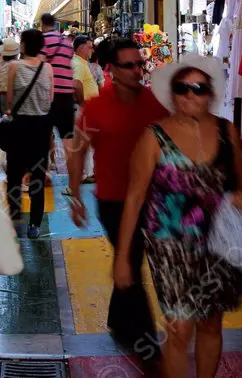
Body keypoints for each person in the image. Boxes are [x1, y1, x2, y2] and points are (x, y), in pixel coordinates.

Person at [114, 55, 242, 378]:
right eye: (182, 88)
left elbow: (241, 176)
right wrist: (122, 257)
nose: (190, 95)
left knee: (211, 322)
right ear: (172, 93)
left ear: (210, 94)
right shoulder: (154, 137)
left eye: (198, 88)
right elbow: (134, 198)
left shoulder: (226, 131)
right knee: (179, 327)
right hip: (168, 244)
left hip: (217, 242)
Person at [66, 39, 169, 355]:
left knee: (133, 260)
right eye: (130, 65)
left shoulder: (153, 102)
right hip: (112, 200)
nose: (138, 70)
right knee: (132, 261)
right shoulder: (95, 108)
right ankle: (145, 342)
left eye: (140, 64)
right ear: (110, 69)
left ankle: (117, 319)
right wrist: (76, 197)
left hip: (152, 199)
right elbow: (77, 151)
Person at [5, 29, 54, 239]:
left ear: (23, 44)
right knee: (37, 177)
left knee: (14, 176)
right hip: (41, 128)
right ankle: (35, 224)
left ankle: (15, 218)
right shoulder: (48, 68)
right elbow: (50, 100)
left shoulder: (14, 66)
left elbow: (8, 100)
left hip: (20, 126)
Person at [40, 13, 74, 167]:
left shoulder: (43, 40)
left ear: (43, 24)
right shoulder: (67, 42)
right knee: (68, 134)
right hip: (67, 93)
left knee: (45, 132)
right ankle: (73, 171)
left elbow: (40, 64)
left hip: (49, 93)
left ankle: (47, 165)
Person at [71, 35, 100, 185]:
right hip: (84, 107)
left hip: (87, 107)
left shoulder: (81, 63)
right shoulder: (79, 64)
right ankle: (84, 173)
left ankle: (88, 172)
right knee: (84, 142)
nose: (91, 50)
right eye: (89, 47)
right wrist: (83, 103)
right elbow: (76, 84)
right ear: (81, 48)